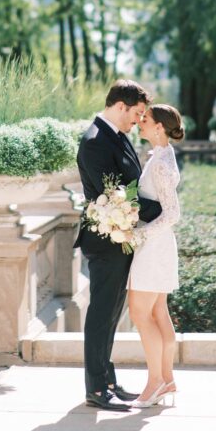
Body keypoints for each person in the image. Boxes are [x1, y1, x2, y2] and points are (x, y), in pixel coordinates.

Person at [74, 79, 161, 412]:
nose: (138, 121)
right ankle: (95, 387)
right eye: (136, 114)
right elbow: (116, 196)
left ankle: (107, 380)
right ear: (120, 106)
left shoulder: (117, 136)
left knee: (111, 314)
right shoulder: (95, 141)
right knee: (101, 314)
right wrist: (161, 212)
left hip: (120, 239)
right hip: (105, 241)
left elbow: (131, 186)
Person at [127, 104, 183, 409]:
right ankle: (167, 378)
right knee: (158, 312)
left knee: (139, 313)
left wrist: (140, 235)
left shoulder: (161, 163)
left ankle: (154, 382)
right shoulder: (161, 156)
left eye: (145, 120)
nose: (140, 123)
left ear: (159, 127)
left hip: (154, 245)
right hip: (158, 244)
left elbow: (173, 213)